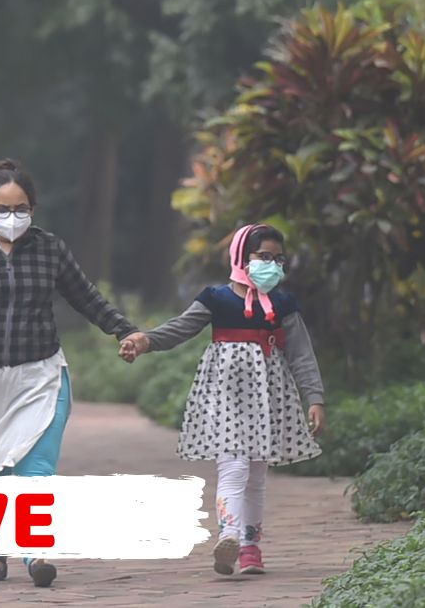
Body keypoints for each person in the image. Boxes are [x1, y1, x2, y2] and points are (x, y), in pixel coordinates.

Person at [0, 158, 139, 588]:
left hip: (39, 375)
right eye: (3, 208)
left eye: (20, 207)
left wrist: (124, 330)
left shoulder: (50, 248)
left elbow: (86, 296)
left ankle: (36, 551)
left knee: (35, 466)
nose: (12, 217)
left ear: (33, 209)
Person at [118, 223, 325, 576]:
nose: (271, 265)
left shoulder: (283, 304)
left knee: (257, 473)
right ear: (242, 258)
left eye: (278, 259)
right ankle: (229, 536)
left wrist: (315, 398)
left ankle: (250, 547)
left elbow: (302, 354)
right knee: (234, 466)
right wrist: (145, 341)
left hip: (267, 401)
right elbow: (181, 328)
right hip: (226, 399)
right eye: (263, 257)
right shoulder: (216, 298)